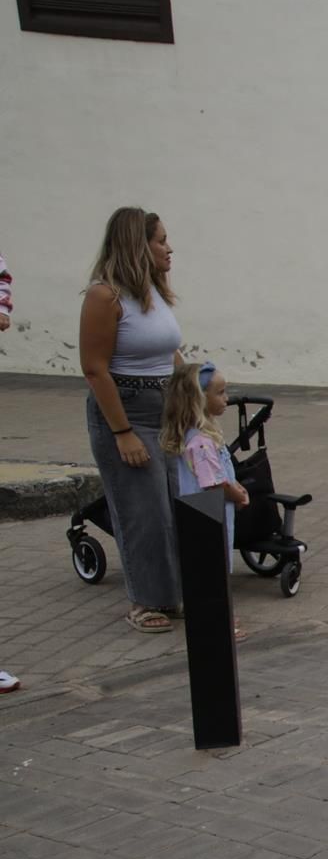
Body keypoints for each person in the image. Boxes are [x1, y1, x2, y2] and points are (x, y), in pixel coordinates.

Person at [78, 208, 183, 634]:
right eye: (160, 240)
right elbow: (95, 369)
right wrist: (122, 433)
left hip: (167, 408)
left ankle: (175, 594)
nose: (169, 248)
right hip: (127, 409)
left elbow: (168, 353)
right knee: (145, 512)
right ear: (137, 245)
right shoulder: (104, 297)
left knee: (179, 505)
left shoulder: (154, 292)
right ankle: (146, 600)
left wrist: (195, 391)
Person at [161, 360, 250, 639]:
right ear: (199, 400)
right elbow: (213, 481)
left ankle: (214, 617)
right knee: (214, 569)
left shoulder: (198, 436)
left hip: (207, 511)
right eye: (220, 393)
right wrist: (237, 492)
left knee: (210, 568)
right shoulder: (200, 442)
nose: (226, 399)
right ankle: (218, 621)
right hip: (208, 514)